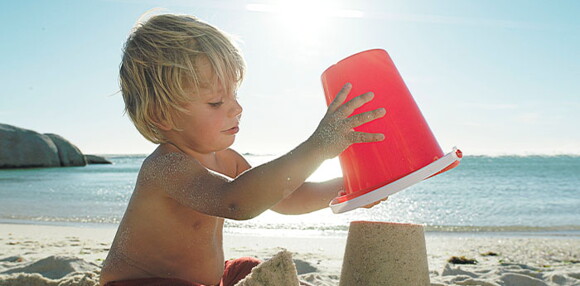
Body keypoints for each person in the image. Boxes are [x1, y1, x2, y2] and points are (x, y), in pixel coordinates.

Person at [99, 14, 386, 286]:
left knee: (249, 267)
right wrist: (318, 147)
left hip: (203, 279)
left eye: (234, 95)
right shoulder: (166, 167)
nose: (237, 108)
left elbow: (288, 196)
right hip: (141, 282)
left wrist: (352, 187)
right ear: (161, 115)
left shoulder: (228, 161)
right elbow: (236, 202)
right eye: (215, 102)